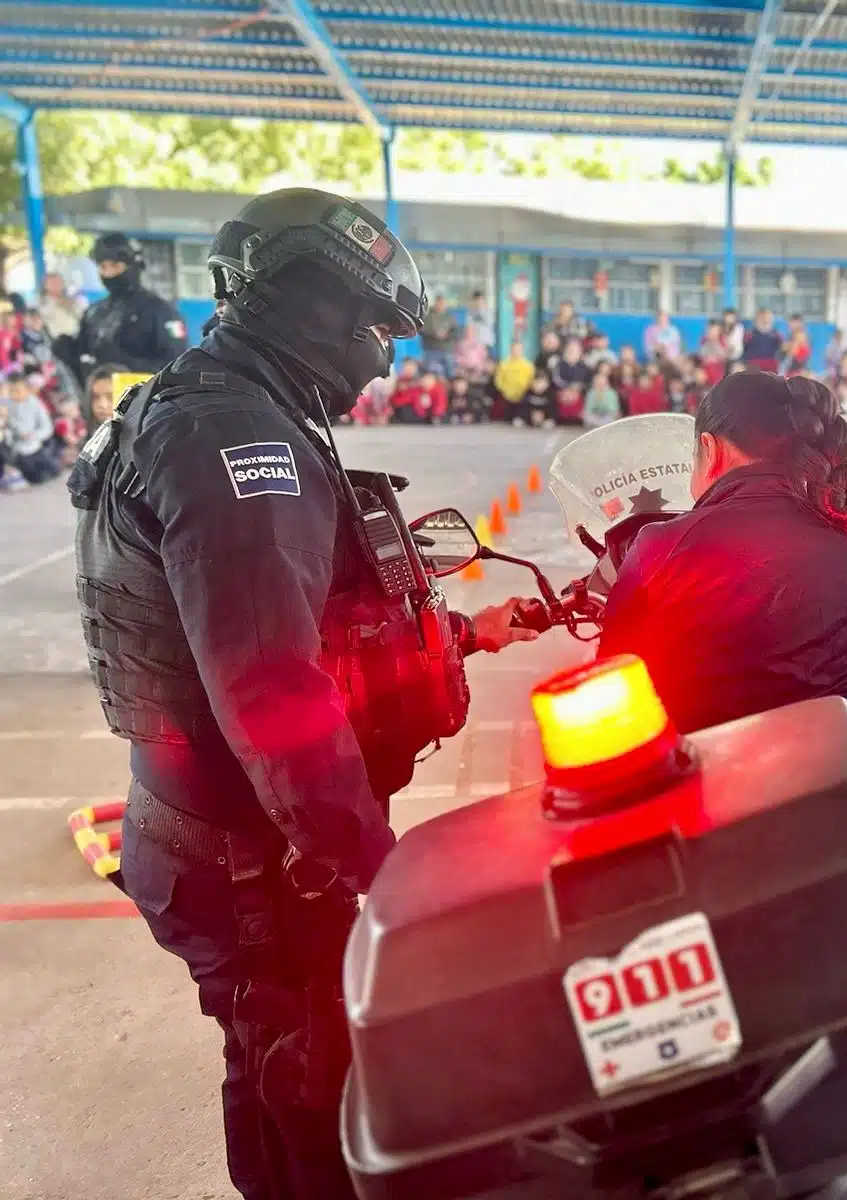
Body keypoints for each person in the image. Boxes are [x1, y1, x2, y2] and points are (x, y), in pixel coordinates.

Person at [69, 188, 536, 1200]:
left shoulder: (225, 405)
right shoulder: (241, 443)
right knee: (305, 1089)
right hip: (260, 864)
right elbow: (272, 692)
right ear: (304, 302)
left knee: (293, 1061)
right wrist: (372, 870)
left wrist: (463, 633)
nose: (382, 357)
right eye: (374, 328)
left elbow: (307, 627)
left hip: (243, 840)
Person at [596, 371, 847, 734]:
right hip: (842, 769)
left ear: (710, 450)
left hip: (714, 776)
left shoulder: (660, 545)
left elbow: (615, 667)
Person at [67, 233, 189, 385]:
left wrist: (125, 363)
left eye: (115, 266)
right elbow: (85, 364)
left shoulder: (161, 311)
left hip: (145, 402)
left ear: (133, 266)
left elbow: (178, 367)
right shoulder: (94, 313)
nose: (109, 274)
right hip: (100, 401)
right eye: (103, 267)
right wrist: (69, 355)